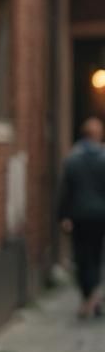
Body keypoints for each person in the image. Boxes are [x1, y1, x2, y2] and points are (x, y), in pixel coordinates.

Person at [58, 116, 105, 319]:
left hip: (78, 215)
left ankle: (88, 295)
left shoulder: (73, 158)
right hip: (100, 215)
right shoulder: (103, 158)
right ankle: (92, 295)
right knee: (95, 255)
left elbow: (65, 190)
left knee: (81, 256)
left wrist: (63, 215)